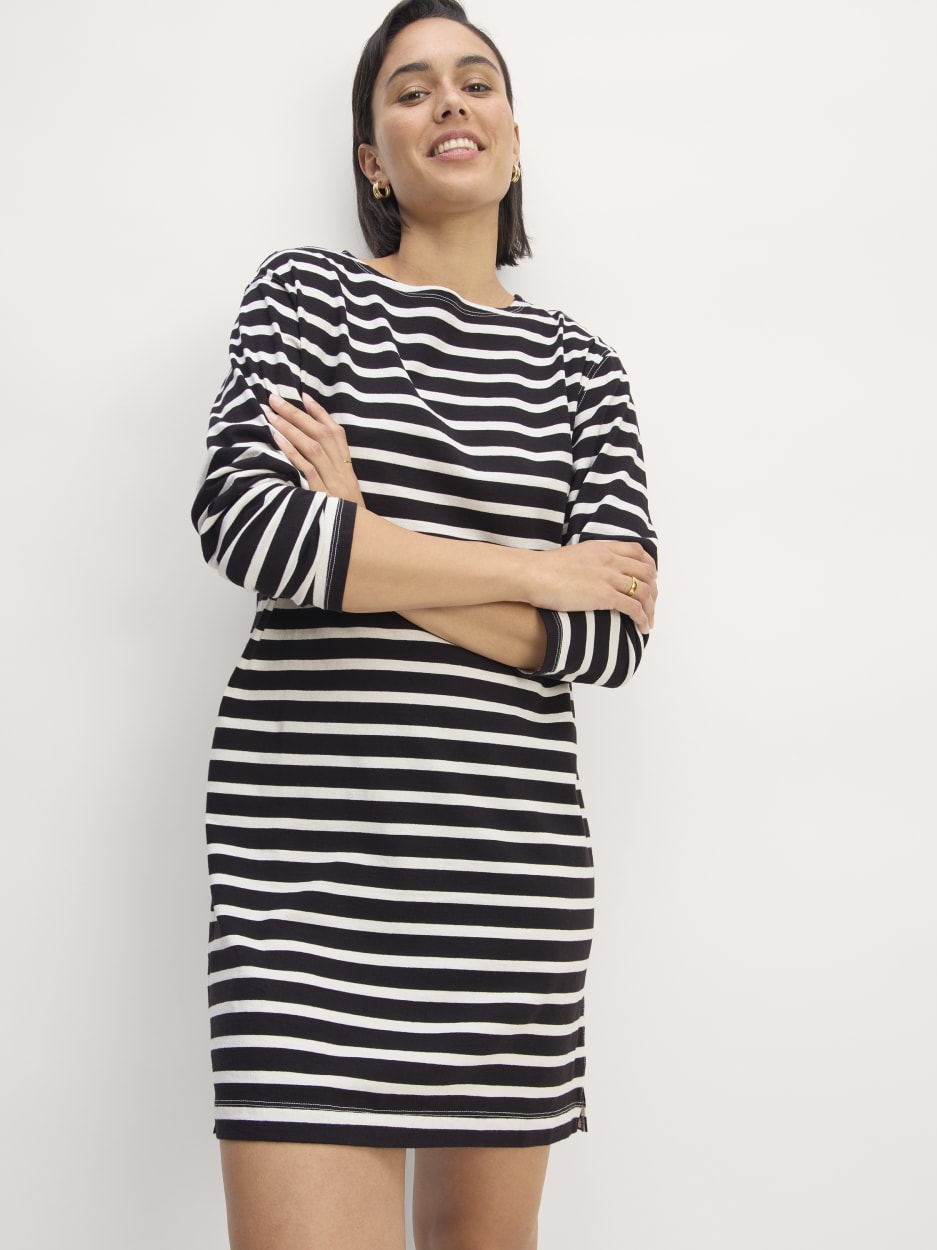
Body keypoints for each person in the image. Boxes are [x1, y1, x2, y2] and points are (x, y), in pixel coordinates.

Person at [191, 2, 657, 1246]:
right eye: (409, 89)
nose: (448, 100)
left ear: (514, 137)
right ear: (372, 159)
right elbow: (252, 526)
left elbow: (609, 633)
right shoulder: (306, 298)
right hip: (308, 891)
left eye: (475, 81)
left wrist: (365, 540)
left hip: (503, 894)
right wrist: (533, 569)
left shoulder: (582, 370)